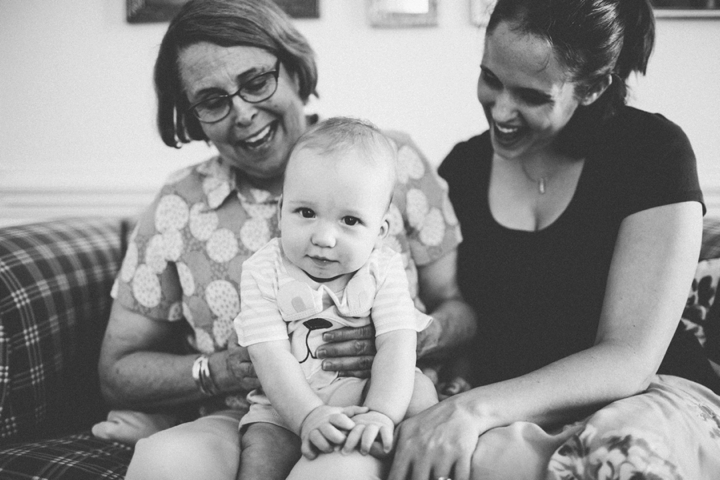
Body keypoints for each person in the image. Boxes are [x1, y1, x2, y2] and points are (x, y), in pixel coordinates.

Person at [91, 1, 476, 479]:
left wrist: (412, 338)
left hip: (376, 406)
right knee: (165, 464)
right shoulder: (179, 206)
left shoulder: (391, 162)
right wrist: (224, 368)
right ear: (191, 117)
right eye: (212, 101)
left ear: (294, 69)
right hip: (248, 416)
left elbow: (458, 307)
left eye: (256, 82)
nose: (244, 113)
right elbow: (117, 371)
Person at [385, 0, 720, 479]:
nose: (501, 110)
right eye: (491, 79)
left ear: (592, 86)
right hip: (508, 408)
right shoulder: (461, 169)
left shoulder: (652, 153)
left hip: (650, 400)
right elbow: (457, 308)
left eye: (531, 96)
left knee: (618, 460)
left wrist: (472, 411)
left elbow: (630, 358)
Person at [235, 117, 438, 480]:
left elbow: (397, 343)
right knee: (260, 453)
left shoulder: (383, 269)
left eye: (350, 220)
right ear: (281, 211)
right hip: (286, 406)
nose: (325, 237)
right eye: (306, 213)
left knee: (420, 392)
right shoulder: (262, 270)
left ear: (380, 231)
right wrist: (308, 415)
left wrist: (380, 412)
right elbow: (269, 354)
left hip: (370, 391)